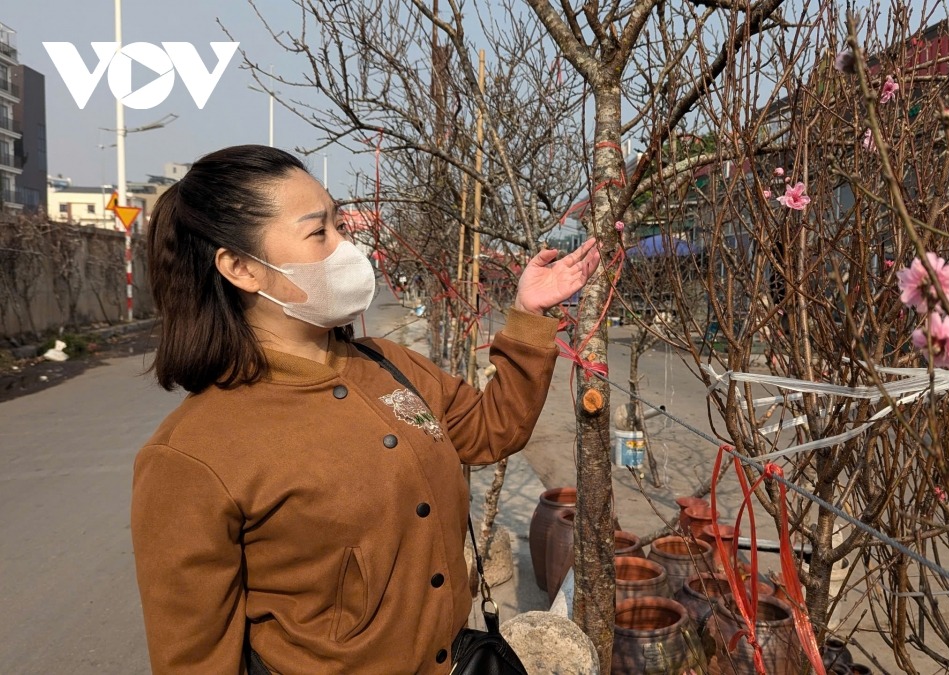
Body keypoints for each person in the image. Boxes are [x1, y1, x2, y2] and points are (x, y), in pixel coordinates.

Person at [130, 145, 600, 673]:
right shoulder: (192, 455)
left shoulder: (389, 365)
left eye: (339, 225)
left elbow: (492, 430)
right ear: (241, 268)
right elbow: (193, 658)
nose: (345, 248)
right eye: (318, 233)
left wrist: (528, 315)